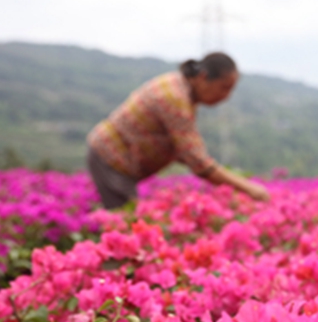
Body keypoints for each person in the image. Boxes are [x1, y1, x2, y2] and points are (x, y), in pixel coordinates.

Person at [87, 52, 269, 209]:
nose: (226, 97)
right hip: (111, 157)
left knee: (129, 224)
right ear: (203, 77)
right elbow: (198, 162)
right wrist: (250, 189)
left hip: (118, 160)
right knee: (127, 226)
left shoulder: (179, 86)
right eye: (224, 88)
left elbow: (185, 151)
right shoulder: (175, 100)